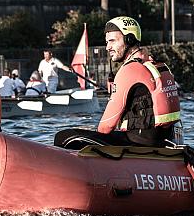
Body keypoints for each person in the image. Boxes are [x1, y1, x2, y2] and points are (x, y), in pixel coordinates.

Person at [54, 16, 181, 149]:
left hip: (139, 144)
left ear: (129, 40)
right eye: (107, 42)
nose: (108, 47)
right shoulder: (158, 66)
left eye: (112, 41)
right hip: (163, 142)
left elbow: (107, 125)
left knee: (63, 137)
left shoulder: (130, 70)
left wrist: (94, 147)